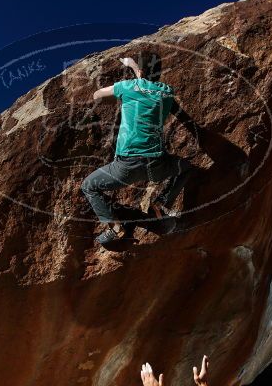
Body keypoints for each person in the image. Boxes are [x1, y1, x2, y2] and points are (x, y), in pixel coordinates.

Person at [82, 51, 193, 246]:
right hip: (157, 164)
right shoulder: (166, 91)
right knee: (185, 167)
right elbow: (151, 87)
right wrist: (137, 69)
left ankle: (116, 229)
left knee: (89, 186)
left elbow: (96, 94)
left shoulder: (128, 87)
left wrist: (132, 68)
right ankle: (160, 204)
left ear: (140, 70)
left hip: (127, 165)